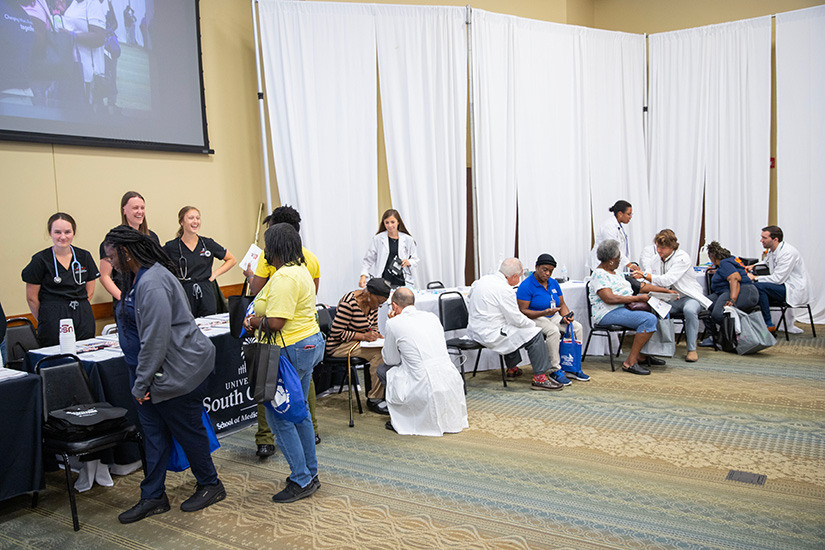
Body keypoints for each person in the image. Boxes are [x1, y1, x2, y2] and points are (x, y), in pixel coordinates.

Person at [103, 225, 225, 524]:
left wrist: (142, 383)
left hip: (175, 373)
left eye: (111, 256)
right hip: (151, 374)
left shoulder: (152, 283)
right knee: (154, 435)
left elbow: (156, 340)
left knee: (187, 430)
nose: (109, 263)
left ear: (125, 252)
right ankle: (153, 496)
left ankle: (211, 484)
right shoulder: (136, 279)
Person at [242, 223, 324, 503]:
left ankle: (301, 479)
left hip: (289, 350)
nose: (265, 250)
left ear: (275, 248)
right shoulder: (299, 270)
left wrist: (252, 321)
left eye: (267, 245)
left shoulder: (286, 277)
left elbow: (276, 322)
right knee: (298, 411)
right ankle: (310, 473)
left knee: (280, 416)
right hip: (305, 344)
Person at [378, 288, 468, 436]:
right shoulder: (431, 317)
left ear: (394, 306)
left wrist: (391, 323)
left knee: (382, 370)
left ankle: (400, 416)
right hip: (450, 378)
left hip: (422, 382)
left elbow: (391, 360)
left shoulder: (394, 323)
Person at [467, 258, 564, 391]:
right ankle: (540, 379)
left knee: (512, 330)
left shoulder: (481, 281)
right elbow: (517, 319)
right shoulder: (504, 289)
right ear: (513, 276)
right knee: (534, 334)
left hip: (475, 330)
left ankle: (512, 369)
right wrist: (533, 326)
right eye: (519, 277)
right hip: (491, 333)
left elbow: (469, 299)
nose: (519, 280)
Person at [589, 240, 676, 375]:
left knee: (659, 312)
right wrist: (638, 298)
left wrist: (666, 292)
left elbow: (640, 286)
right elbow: (609, 299)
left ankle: (644, 354)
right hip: (607, 313)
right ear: (611, 260)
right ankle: (630, 362)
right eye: (618, 258)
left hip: (623, 309)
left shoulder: (616, 273)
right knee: (648, 319)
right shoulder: (599, 274)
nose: (620, 261)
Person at [632, 229, 711, 362]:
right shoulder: (655, 259)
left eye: (663, 247)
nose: (659, 250)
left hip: (688, 297)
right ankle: (651, 350)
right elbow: (649, 278)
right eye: (657, 246)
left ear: (672, 247)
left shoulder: (682, 257)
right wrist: (641, 277)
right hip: (669, 298)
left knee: (690, 310)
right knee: (653, 310)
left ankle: (692, 349)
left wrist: (644, 274)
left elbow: (667, 280)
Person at [22, 213, 99, 346]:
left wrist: (77, 308)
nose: (63, 237)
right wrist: (46, 318)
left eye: (67, 232)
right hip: (53, 317)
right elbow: (31, 298)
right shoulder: (40, 260)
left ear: (73, 232)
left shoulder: (84, 256)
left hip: (82, 315)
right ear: (50, 233)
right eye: (57, 232)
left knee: (85, 357)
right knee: (57, 360)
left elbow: (89, 290)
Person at [516, 254, 589, 383]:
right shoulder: (526, 285)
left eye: (550, 271)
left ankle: (572, 367)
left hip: (553, 315)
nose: (548, 273)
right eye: (544, 270)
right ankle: (554, 370)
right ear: (537, 267)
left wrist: (566, 316)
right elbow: (523, 311)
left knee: (577, 327)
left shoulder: (553, 283)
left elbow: (562, 304)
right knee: (553, 331)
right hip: (535, 317)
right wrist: (543, 312)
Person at [327, 278, 391, 414]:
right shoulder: (349, 303)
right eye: (379, 302)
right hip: (339, 346)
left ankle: (383, 393)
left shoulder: (372, 304)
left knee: (385, 349)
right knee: (378, 354)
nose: (379, 306)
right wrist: (363, 336)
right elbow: (336, 332)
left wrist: (377, 335)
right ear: (368, 294)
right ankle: (375, 399)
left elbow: (372, 326)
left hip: (358, 343)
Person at [164, 206, 236, 318]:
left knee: (209, 326)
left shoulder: (207, 243)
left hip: (206, 291)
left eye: (198, 218)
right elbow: (159, 266)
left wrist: (214, 274)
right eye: (191, 218)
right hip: (184, 292)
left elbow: (231, 259)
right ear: (181, 222)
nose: (195, 221)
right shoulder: (171, 247)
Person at [747, 225, 810, 332]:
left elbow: (777, 279)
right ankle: (764, 323)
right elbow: (767, 262)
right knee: (757, 289)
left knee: (759, 287)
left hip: (793, 289)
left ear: (775, 239)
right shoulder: (773, 250)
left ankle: (768, 324)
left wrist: (755, 277)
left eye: (764, 238)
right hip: (784, 285)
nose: (761, 240)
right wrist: (753, 266)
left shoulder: (788, 253)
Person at [99, 191, 160, 301]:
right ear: (124, 210)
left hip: (149, 296)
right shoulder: (114, 239)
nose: (140, 212)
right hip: (125, 297)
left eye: (142, 208)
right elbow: (104, 276)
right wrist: (124, 299)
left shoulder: (151, 237)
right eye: (135, 208)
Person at [702, 241, 759, 343]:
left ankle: (735, 336)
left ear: (713, 257)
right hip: (733, 291)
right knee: (703, 304)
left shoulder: (725, 263)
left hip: (744, 292)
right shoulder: (729, 261)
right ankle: (713, 337)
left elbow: (734, 278)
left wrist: (732, 299)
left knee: (718, 314)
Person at [61, 0, 107, 106]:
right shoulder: (74, 3)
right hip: (73, 67)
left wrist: (72, 35)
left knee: (84, 114)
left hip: (87, 74)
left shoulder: (93, 3)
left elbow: (99, 37)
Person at [359, 209, 419, 289]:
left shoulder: (408, 239)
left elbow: (415, 259)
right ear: (384, 223)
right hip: (383, 281)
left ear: (398, 222)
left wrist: (408, 262)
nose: (390, 225)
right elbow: (368, 260)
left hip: (402, 281)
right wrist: (363, 276)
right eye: (387, 222)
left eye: (392, 222)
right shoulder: (378, 239)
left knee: (402, 300)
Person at [591, 200, 636, 272]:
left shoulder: (618, 226)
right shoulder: (609, 227)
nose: (630, 217)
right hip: (603, 265)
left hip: (612, 264)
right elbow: (613, 249)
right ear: (620, 214)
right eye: (628, 214)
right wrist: (629, 264)